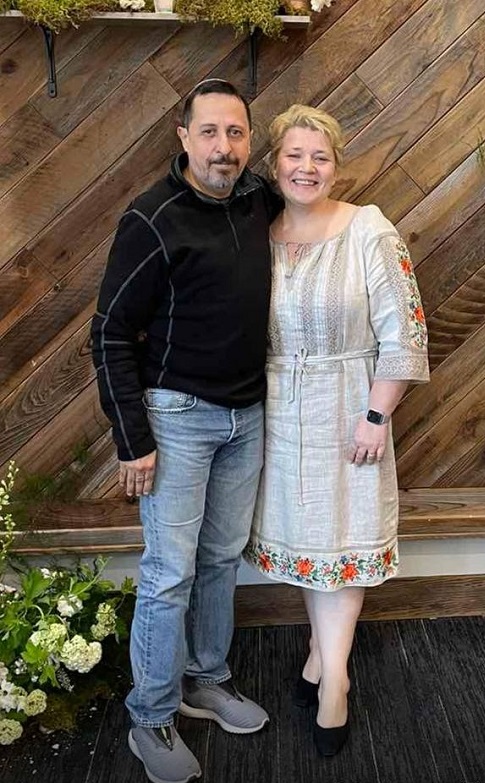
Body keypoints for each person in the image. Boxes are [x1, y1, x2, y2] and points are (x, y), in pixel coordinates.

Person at [91, 79, 282, 783]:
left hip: (247, 415)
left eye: (235, 132)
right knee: (169, 572)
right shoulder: (152, 218)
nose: (223, 147)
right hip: (176, 418)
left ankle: (206, 679)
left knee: (221, 558)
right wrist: (132, 439)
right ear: (183, 137)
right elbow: (110, 333)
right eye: (209, 132)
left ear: (249, 140)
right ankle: (150, 716)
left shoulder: (259, 198)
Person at [244, 104, 430, 757]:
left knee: (341, 544)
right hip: (278, 412)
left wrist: (377, 414)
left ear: (336, 166)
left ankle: (335, 683)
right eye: (294, 155)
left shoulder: (368, 229)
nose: (307, 167)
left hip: (350, 407)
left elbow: (404, 330)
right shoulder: (259, 235)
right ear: (275, 164)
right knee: (309, 545)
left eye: (319, 157)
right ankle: (320, 656)